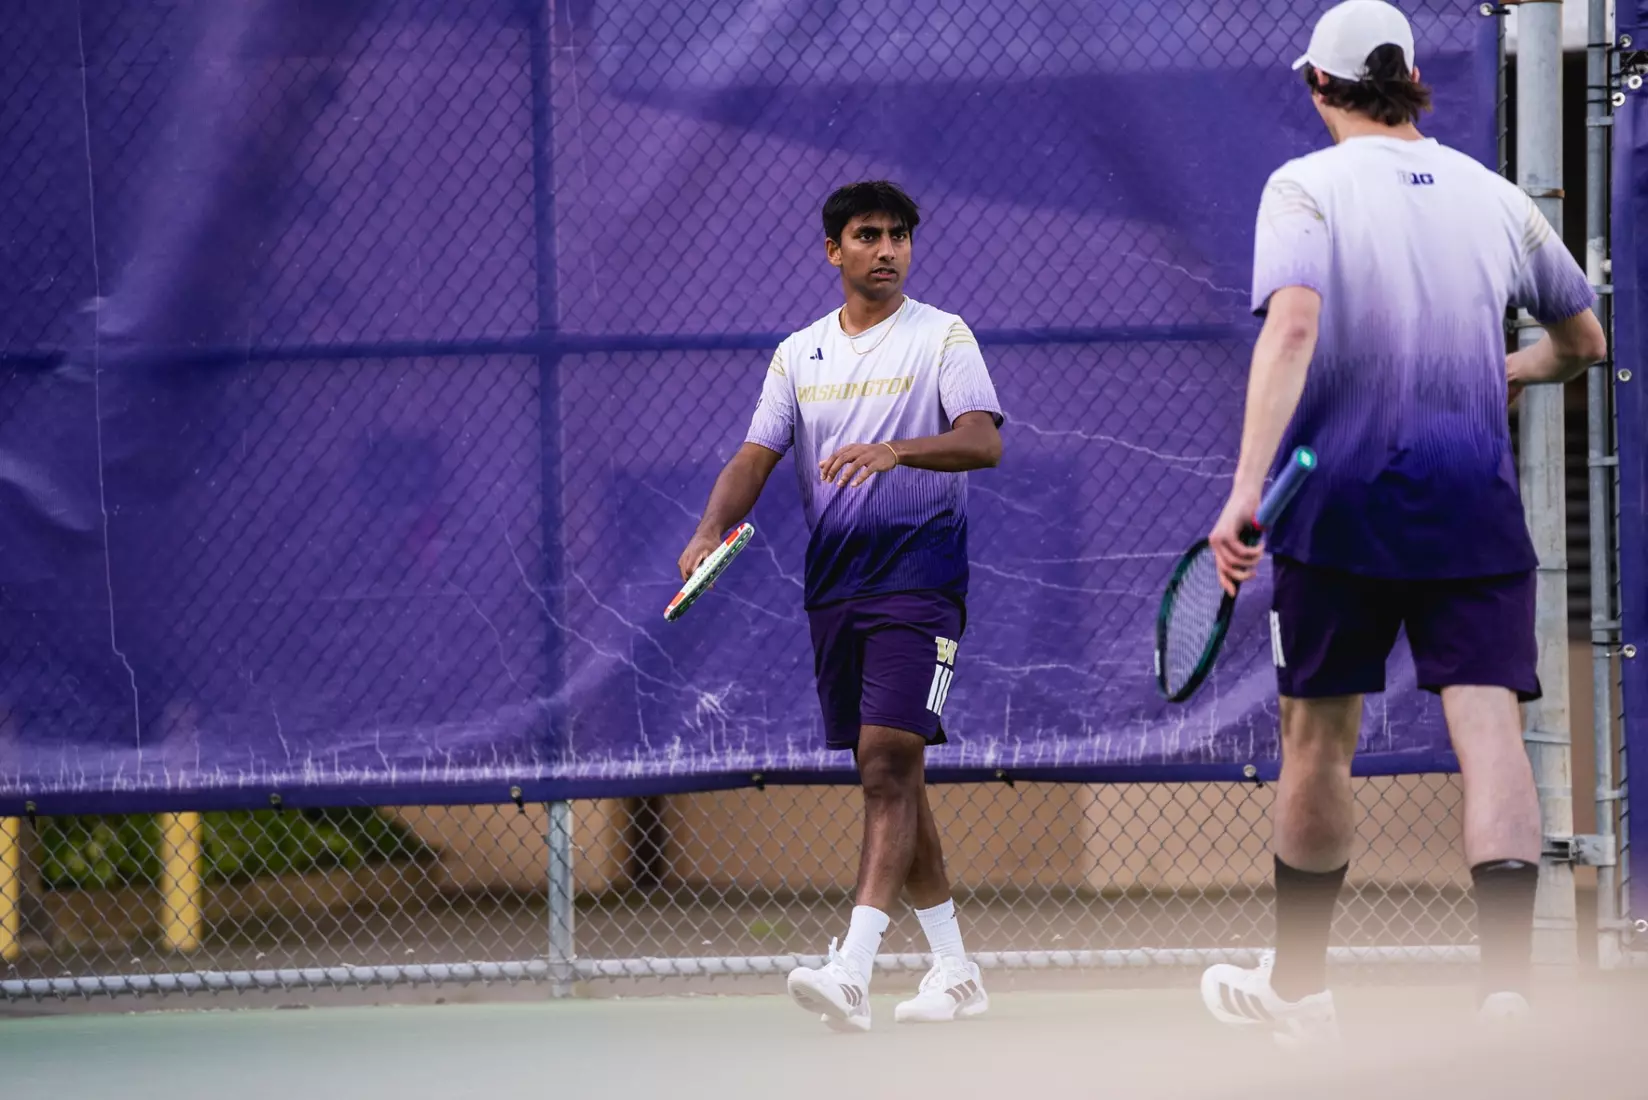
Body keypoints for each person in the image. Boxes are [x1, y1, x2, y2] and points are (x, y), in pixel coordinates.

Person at [1197, 0, 1607, 1046]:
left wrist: (1244, 487)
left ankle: (1299, 990)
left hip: (1335, 504)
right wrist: (1500, 367)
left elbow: (1291, 325)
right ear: (1408, 80)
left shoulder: (1302, 187)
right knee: (1490, 731)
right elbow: (1583, 340)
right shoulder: (1495, 195)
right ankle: (1508, 995)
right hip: (1471, 500)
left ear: (1318, 86)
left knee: (1316, 741)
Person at [676, 180, 1004, 1033]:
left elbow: (983, 439)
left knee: (887, 761)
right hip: (836, 588)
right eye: (868, 235)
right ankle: (955, 970)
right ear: (835, 251)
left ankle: (852, 971)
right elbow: (755, 454)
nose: (887, 249)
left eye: (899, 235)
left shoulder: (944, 336)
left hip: (922, 580)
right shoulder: (798, 355)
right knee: (895, 775)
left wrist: (897, 449)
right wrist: (712, 527)